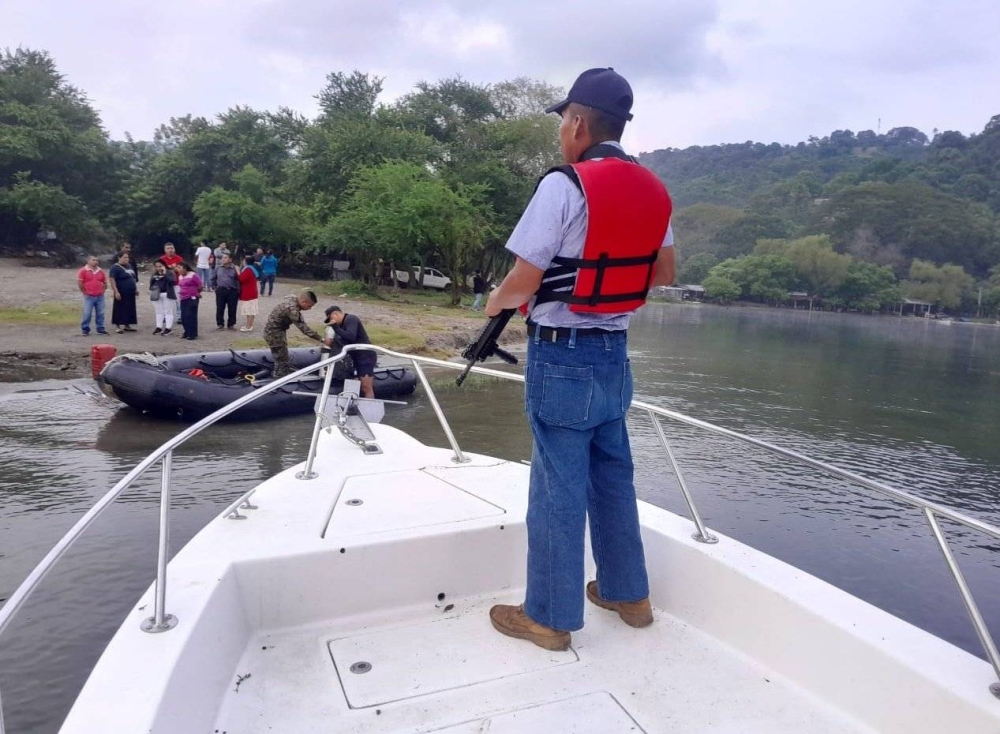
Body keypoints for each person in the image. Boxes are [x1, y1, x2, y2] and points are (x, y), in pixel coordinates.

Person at [484, 68, 676, 651]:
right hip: (614, 357)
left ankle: (548, 616)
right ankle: (628, 595)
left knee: (556, 488)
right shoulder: (654, 188)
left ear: (576, 123)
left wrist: (492, 304)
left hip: (562, 357)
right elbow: (663, 274)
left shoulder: (564, 185)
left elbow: (524, 278)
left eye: (562, 122)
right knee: (613, 479)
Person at [263, 290, 322, 378]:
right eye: (309, 306)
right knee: (281, 359)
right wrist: (321, 339)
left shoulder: (291, 298)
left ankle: (284, 371)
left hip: (276, 330)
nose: (310, 309)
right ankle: (279, 378)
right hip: (274, 333)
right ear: (303, 302)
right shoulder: (292, 309)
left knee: (283, 355)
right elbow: (304, 329)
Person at [323, 306, 376, 398]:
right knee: (354, 383)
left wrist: (335, 327)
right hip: (354, 357)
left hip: (365, 356)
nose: (332, 321)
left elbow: (351, 336)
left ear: (336, 314)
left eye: (331, 318)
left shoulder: (351, 319)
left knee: (366, 387)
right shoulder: (340, 326)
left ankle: (370, 409)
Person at [77, 255, 108, 336]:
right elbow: (80, 283)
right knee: (87, 313)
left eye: (97, 260)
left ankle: (100, 328)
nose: (96, 262)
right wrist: (84, 292)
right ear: (88, 261)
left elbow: (105, 282)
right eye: (93, 260)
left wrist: (103, 291)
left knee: (100, 313)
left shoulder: (100, 271)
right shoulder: (83, 270)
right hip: (89, 296)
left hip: (99, 296)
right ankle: (85, 329)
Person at [108, 250, 139, 333]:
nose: (126, 259)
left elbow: (133, 278)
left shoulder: (129, 266)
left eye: (127, 257)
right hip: (121, 291)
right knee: (119, 308)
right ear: (119, 258)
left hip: (130, 291)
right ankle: (117, 325)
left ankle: (127, 325)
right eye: (124, 257)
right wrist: (116, 291)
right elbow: (112, 279)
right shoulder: (115, 268)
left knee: (130, 307)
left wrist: (135, 288)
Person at [174, 262, 203, 340]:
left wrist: (196, 292)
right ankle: (186, 331)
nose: (178, 269)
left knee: (191, 316)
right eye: (177, 268)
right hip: (183, 297)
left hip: (192, 297)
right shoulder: (180, 276)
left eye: (179, 267)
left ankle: (192, 334)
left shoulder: (193, 275)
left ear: (185, 268)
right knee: (184, 316)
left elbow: (200, 285)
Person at [211, 253, 240, 330]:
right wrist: (215, 288)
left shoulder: (235, 268)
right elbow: (213, 278)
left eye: (225, 257)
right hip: (221, 290)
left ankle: (231, 324)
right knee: (220, 307)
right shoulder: (218, 268)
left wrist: (238, 291)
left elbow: (239, 280)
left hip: (232, 291)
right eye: (222, 258)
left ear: (230, 259)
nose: (223, 259)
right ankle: (220, 323)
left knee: (232, 308)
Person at [149, 259, 177, 335]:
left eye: (160, 266)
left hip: (167, 293)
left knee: (168, 311)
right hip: (157, 294)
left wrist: (165, 274)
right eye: (156, 266)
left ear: (164, 265)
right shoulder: (155, 274)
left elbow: (173, 281)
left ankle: (168, 328)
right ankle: (159, 326)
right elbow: (151, 284)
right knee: (158, 311)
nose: (158, 268)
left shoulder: (169, 272)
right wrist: (153, 287)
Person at [237, 255, 260, 331]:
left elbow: (241, 279)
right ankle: (249, 325)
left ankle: (248, 326)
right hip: (252, 292)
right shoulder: (252, 269)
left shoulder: (248, 269)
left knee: (249, 310)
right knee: (251, 310)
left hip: (248, 293)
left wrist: (238, 271)